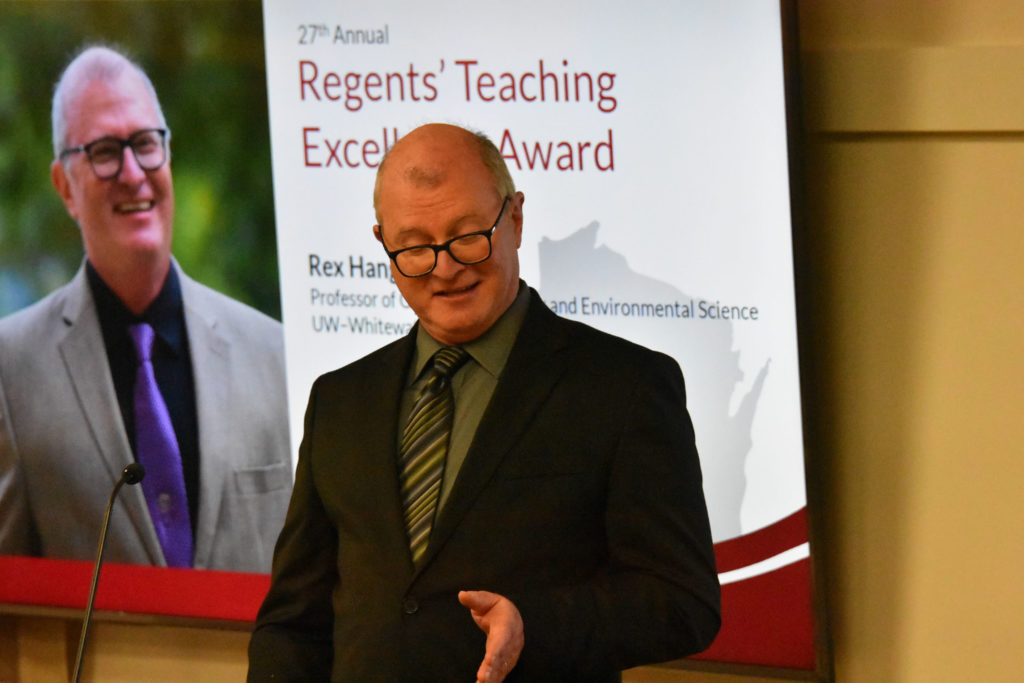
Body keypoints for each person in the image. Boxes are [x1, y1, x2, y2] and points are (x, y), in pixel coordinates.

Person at [247, 123, 720, 681]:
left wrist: (533, 625)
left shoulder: (625, 387)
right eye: (416, 247)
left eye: (467, 235)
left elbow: (682, 602)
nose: (445, 268)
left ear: (514, 219)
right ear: (384, 244)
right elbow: (293, 623)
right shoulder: (339, 400)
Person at [0, 45, 291, 573]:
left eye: (145, 144)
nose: (133, 173)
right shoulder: (9, 369)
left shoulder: (275, 356)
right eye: (106, 151)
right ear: (65, 186)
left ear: (168, 155)